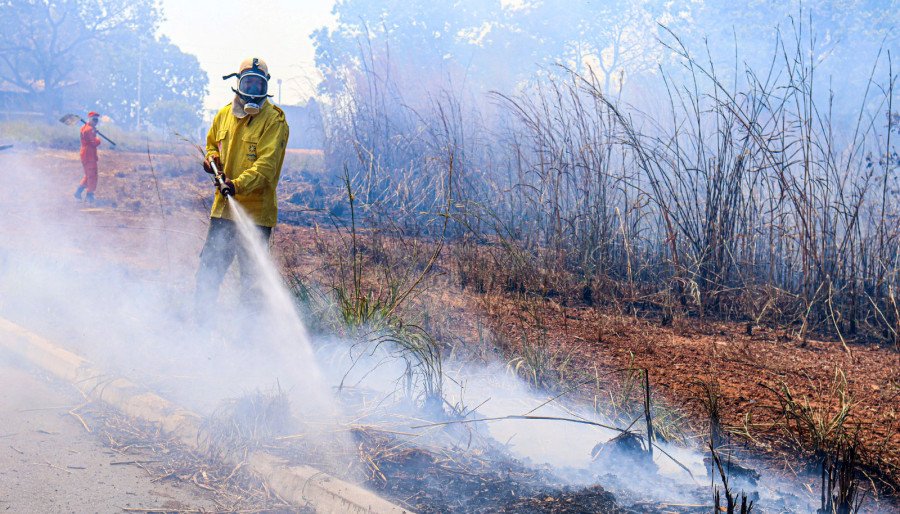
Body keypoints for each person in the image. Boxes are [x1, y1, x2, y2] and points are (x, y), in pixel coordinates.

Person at [194, 57, 290, 314]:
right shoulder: (224, 114)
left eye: (258, 86)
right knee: (208, 273)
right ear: (237, 83)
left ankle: (247, 341)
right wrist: (211, 158)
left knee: (251, 283)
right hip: (223, 211)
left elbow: (266, 168)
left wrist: (235, 186)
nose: (253, 91)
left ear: (266, 87)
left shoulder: (274, 121)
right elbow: (212, 142)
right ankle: (199, 330)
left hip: (255, 215)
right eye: (248, 83)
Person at [74, 112, 102, 203]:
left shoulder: (86, 128)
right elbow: (94, 143)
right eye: (94, 119)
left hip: (87, 154)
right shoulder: (89, 129)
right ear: (89, 119)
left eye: (97, 120)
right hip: (89, 154)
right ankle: (90, 195)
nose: (96, 121)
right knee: (92, 176)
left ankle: (78, 192)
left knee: (88, 175)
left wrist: (94, 132)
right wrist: (97, 138)